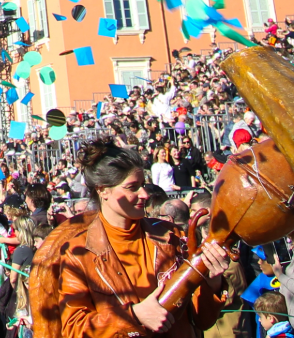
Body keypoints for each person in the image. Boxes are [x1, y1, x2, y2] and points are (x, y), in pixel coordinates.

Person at [52, 138, 229, 338]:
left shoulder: (171, 237)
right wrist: (134, 316)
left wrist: (212, 283)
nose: (144, 193)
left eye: (143, 184)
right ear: (102, 190)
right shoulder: (78, 253)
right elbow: (74, 329)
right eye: (132, 187)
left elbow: (202, 320)